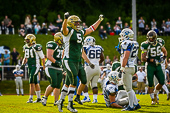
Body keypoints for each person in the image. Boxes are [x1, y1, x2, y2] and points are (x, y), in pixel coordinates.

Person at [56, 12, 104, 112]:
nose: (78, 24)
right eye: (76, 23)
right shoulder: (68, 31)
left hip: (78, 61)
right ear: (71, 23)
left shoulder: (81, 32)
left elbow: (91, 29)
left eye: (78, 23)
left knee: (83, 80)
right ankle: (70, 104)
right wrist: (65, 19)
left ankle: (61, 101)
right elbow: (64, 29)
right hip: (69, 60)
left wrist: (99, 20)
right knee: (73, 82)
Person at [141, 30, 167, 105]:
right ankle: (152, 99)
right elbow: (143, 58)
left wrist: (164, 57)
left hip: (158, 65)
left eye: (152, 38)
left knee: (162, 82)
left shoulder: (159, 43)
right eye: (149, 38)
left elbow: (165, 51)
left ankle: (155, 93)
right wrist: (151, 60)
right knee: (150, 83)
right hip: (150, 66)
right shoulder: (145, 45)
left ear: (155, 38)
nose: (150, 40)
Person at [119, 28, 141, 111]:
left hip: (127, 67)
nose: (121, 37)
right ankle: (136, 104)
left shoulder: (126, 43)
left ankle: (131, 106)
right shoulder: (134, 43)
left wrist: (122, 68)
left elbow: (125, 57)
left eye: (122, 35)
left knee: (128, 88)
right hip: (132, 66)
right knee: (129, 88)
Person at [21, 34, 45, 103]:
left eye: (28, 40)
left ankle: (30, 98)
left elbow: (42, 58)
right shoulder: (25, 47)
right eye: (26, 40)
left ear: (32, 40)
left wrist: (43, 67)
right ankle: (39, 98)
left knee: (31, 82)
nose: (26, 41)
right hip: (29, 66)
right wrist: (23, 64)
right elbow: (25, 57)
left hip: (35, 66)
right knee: (35, 82)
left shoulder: (36, 47)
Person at [41, 32, 64, 106]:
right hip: (51, 67)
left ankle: (56, 101)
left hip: (59, 68)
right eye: (62, 38)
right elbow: (49, 56)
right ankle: (44, 98)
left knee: (58, 85)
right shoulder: (52, 44)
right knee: (53, 84)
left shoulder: (62, 46)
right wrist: (57, 62)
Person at [81, 36, 104, 103]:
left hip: (89, 67)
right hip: (97, 67)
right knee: (94, 84)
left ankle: (86, 97)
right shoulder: (99, 47)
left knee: (84, 83)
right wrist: (97, 63)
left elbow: (82, 54)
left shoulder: (85, 48)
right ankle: (95, 99)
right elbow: (102, 58)